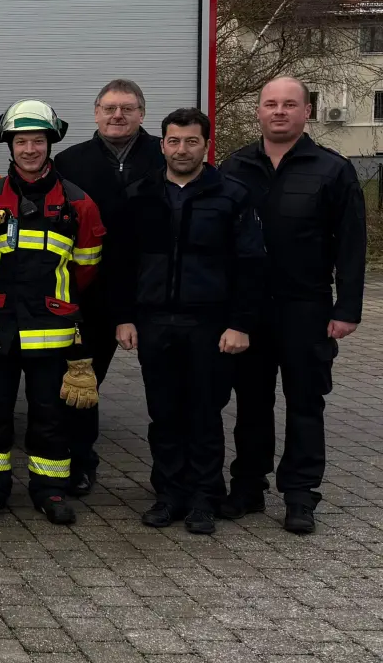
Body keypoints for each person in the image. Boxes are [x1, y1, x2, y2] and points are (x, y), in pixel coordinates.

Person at [218, 77, 365, 534]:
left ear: (306, 112)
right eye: (270, 104)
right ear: (258, 111)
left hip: (308, 307)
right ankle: (247, 487)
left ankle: (301, 495)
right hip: (249, 309)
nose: (279, 111)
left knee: (306, 402)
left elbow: (352, 246)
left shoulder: (333, 169)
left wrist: (347, 309)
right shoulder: (234, 165)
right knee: (251, 402)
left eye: (289, 104)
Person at [109, 108, 264, 536]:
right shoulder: (140, 194)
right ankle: (169, 495)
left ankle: (203, 497)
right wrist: (124, 317)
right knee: (163, 413)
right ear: (162, 145)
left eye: (191, 141)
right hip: (155, 321)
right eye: (174, 141)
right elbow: (122, 263)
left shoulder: (232, 195)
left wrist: (240, 324)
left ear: (205, 145)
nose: (182, 149)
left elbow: (250, 265)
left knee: (204, 413)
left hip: (210, 325)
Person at [0, 100, 104, 525]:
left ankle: (50, 491)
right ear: (9, 145)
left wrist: (53, 304)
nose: (29, 149)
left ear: (50, 143)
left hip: (51, 331)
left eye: (37, 141)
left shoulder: (78, 203)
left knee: (50, 416)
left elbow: (87, 268)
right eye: (21, 141)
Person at [53, 79, 163, 495]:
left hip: (153, 291)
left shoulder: (164, 154)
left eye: (128, 108)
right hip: (91, 294)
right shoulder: (69, 162)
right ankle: (80, 464)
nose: (118, 116)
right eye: (110, 108)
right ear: (96, 112)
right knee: (82, 386)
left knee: (166, 388)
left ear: (142, 113)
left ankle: (171, 475)